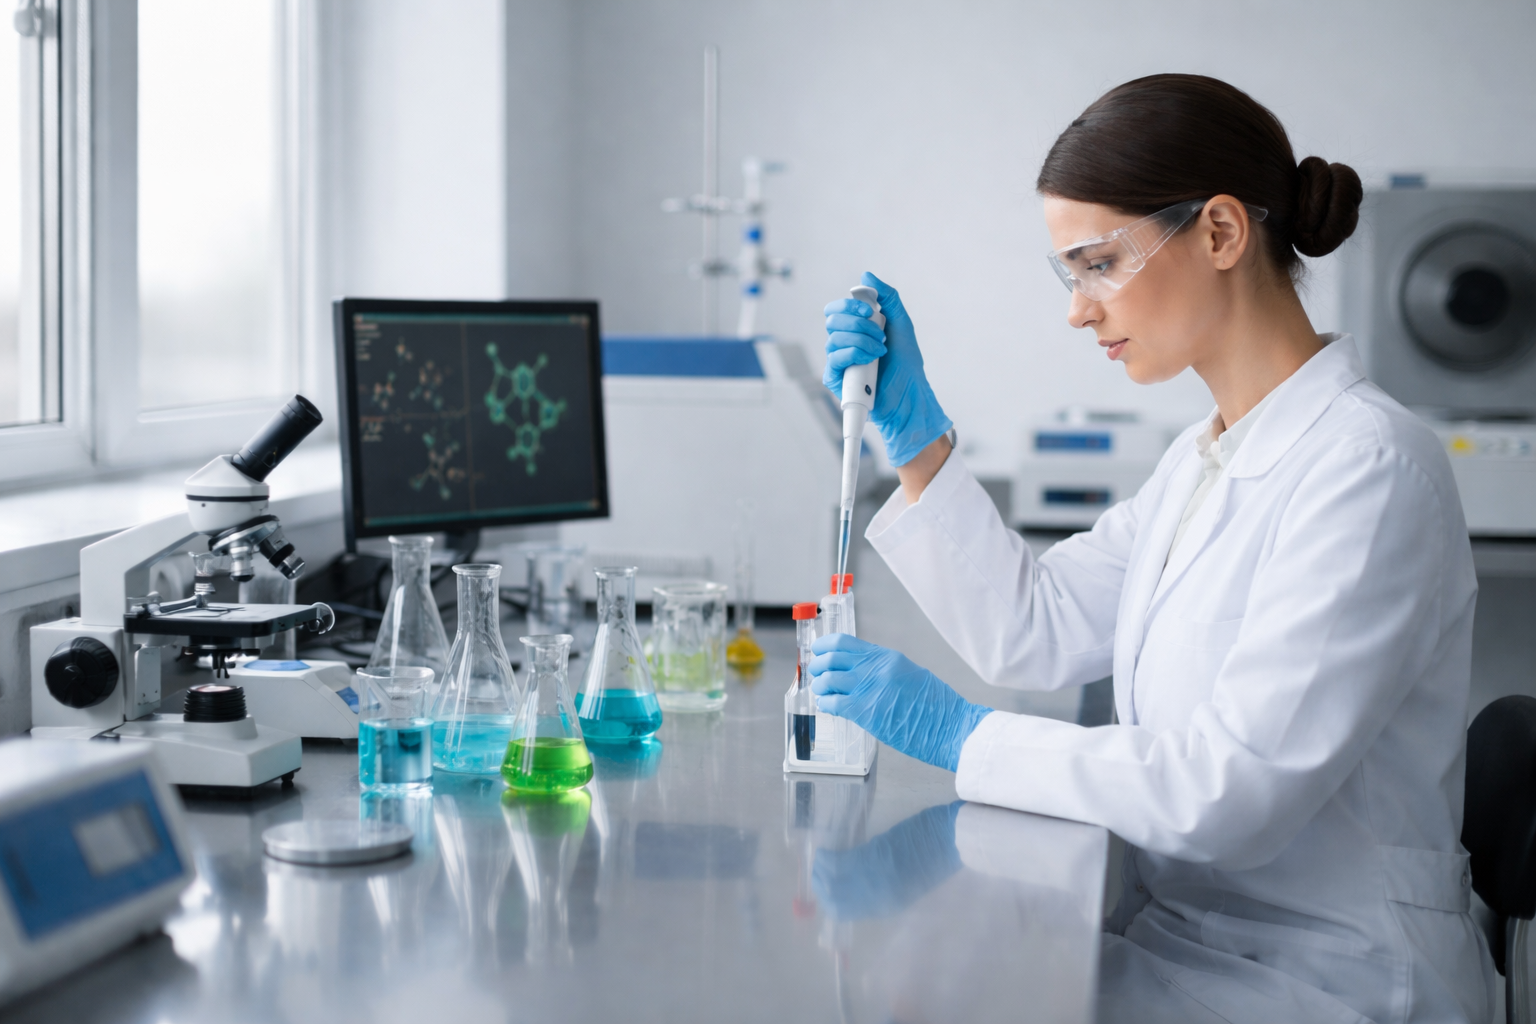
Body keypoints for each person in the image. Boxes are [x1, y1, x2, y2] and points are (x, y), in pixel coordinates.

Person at [810, 74, 1494, 1023]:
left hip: (1325, 977)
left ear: (1220, 232)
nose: (1078, 310)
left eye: (1099, 264)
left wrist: (965, 736)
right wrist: (921, 449)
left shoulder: (1369, 469)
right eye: (1069, 274)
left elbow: (1228, 793)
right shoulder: (1205, 456)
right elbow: (1036, 631)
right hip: (1196, 944)